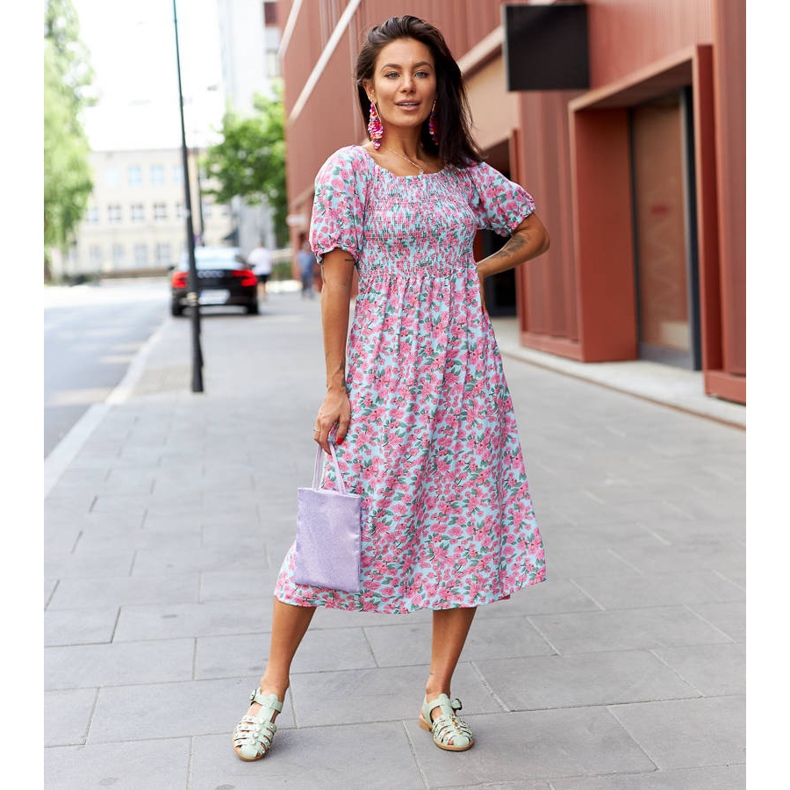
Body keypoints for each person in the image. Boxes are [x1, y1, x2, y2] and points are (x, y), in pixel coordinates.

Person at [232, 14, 550, 762]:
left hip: (466, 386)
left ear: (439, 85)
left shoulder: (466, 176)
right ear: (369, 89)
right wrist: (334, 387)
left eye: (422, 72)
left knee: (465, 530)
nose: (409, 85)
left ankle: (438, 693)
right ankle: (269, 690)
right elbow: (335, 283)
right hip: (380, 382)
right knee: (328, 534)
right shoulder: (349, 171)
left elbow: (533, 232)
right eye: (393, 74)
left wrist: (471, 273)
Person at [295, 233, 316, 298]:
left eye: (308, 246)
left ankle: (310, 293)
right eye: (305, 246)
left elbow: (313, 263)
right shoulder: (300, 254)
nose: (307, 247)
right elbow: (298, 262)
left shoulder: (311, 255)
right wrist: (299, 269)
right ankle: (303, 293)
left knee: (310, 282)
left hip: (310, 271)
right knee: (303, 283)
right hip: (303, 271)